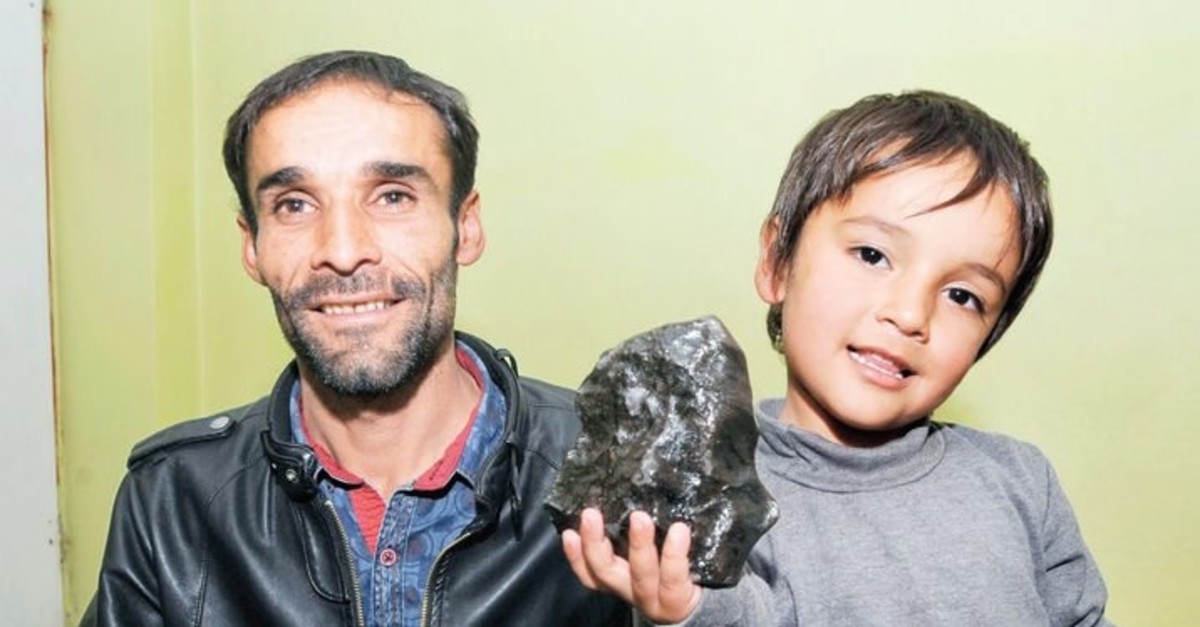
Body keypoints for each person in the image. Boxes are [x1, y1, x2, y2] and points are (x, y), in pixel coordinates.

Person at [83, 50, 631, 626]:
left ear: (464, 226)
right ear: (252, 246)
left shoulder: (613, 472)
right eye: (294, 205)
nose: (343, 251)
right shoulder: (171, 502)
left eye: (392, 195)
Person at [563, 90, 1111, 625]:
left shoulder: (1018, 479)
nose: (910, 314)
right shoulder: (715, 485)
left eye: (963, 296)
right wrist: (690, 613)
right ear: (778, 263)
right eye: (872, 255)